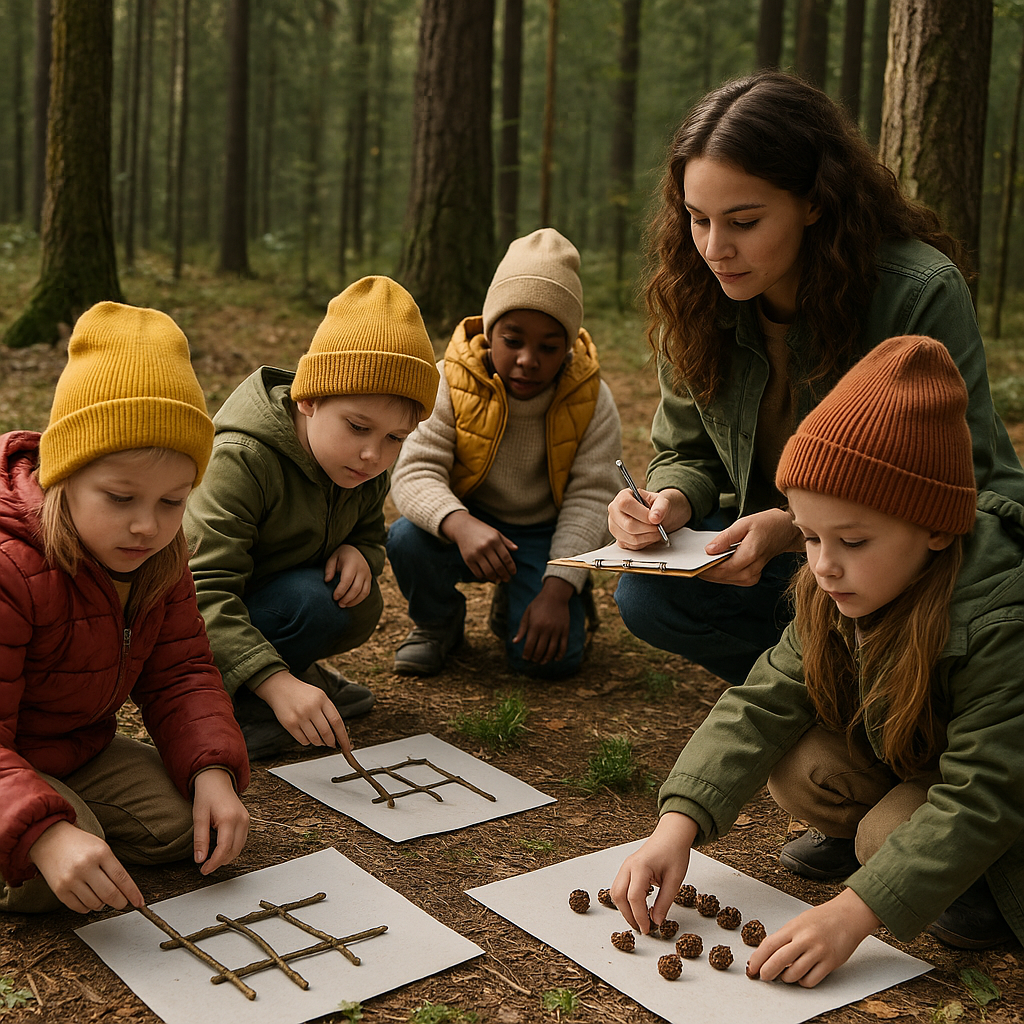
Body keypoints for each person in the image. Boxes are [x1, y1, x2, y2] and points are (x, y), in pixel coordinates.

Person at [612, 335, 1023, 986]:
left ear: (938, 529)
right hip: (920, 755)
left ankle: (981, 888)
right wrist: (675, 826)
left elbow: (986, 793)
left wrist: (854, 913)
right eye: (807, 537)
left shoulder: (1001, 618)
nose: (824, 566)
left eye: (852, 541)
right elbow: (761, 703)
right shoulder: (837, 587)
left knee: (885, 838)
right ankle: (903, 855)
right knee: (803, 767)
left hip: (999, 797)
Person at [608, 70, 1024, 687]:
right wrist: (669, 502)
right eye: (698, 219)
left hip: (898, 563)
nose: (714, 249)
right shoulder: (694, 294)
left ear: (814, 201)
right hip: (780, 562)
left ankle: (867, 693)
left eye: (744, 222)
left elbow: (970, 486)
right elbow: (688, 452)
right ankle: (820, 696)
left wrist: (795, 529)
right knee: (648, 597)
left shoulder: (916, 292)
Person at [0, 301, 251, 915]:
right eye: (119, 497)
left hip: (77, 747)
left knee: (184, 826)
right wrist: (46, 833)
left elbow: (182, 673)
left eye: (172, 501)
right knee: (45, 875)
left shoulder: (160, 556)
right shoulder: (11, 568)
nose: (147, 526)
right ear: (64, 475)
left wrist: (212, 770)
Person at [184, 277, 439, 759]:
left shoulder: (361, 464)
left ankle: (290, 676)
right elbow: (200, 593)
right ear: (310, 398)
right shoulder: (242, 458)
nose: (373, 454)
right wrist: (272, 681)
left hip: (273, 601)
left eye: (395, 438)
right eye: (358, 427)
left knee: (352, 599)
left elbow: (369, 531)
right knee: (310, 602)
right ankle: (240, 705)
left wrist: (361, 552)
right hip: (199, 626)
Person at [386, 228, 622, 679]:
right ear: (489, 331)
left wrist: (559, 587)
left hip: (546, 533)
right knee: (405, 539)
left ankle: (541, 593)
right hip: (469, 519)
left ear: (568, 347)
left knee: (550, 665)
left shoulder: (591, 398)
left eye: (548, 347)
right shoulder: (449, 381)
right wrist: (460, 524)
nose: (528, 360)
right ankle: (437, 624)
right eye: (513, 341)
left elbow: (593, 496)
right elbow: (415, 472)